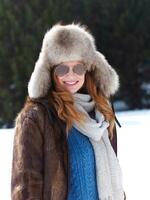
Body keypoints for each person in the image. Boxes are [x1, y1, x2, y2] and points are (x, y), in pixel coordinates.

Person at [11, 23, 126, 200]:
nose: (71, 75)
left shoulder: (101, 114)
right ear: (50, 72)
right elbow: (26, 186)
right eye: (62, 69)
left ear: (88, 70)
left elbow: (113, 178)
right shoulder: (36, 117)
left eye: (78, 68)